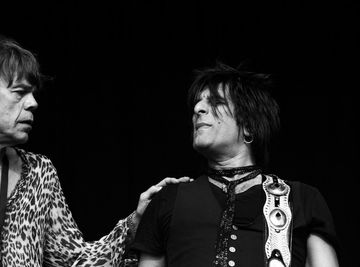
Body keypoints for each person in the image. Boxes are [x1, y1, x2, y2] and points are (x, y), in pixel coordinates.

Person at [0, 32, 191, 266]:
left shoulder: (39, 173)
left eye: (32, 93)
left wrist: (136, 221)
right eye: (19, 92)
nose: (33, 103)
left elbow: (76, 260)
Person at [132, 62, 340, 267]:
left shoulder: (302, 199)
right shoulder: (168, 198)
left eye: (215, 102)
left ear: (248, 126)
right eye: (197, 103)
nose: (197, 109)